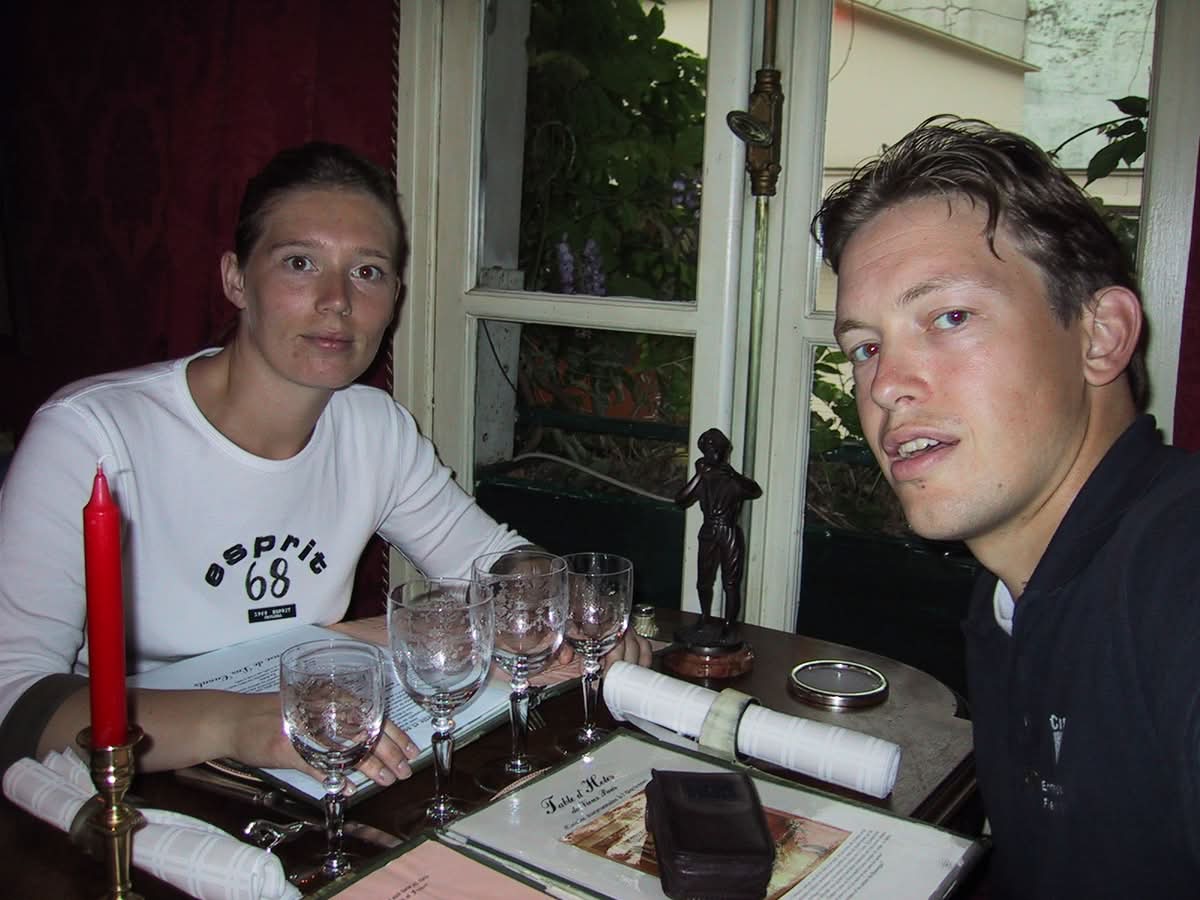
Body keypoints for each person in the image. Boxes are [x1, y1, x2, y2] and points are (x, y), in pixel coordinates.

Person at [0, 141, 650, 785]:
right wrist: (240, 723)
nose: (337, 299)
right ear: (236, 279)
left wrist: (567, 608)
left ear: (394, 297)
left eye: (367, 272)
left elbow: (490, 560)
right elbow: (15, 699)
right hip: (130, 786)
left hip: (311, 776)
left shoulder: (373, 428)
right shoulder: (92, 436)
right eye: (300, 263)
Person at [812, 116, 1200, 898]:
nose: (885, 387)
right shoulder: (1009, 595)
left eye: (949, 317)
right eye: (865, 347)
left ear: (1102, 336)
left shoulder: (1179, 571)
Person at [674, 427, 762, 639]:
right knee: (703, 580)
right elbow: (681, 500)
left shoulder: (731, 479)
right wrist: (698, 475)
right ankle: (704, 617)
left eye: (715, 449)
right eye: (707, 450)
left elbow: (754, 490)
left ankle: (729, 624)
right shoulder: (704, 478)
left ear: (723, 451)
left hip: (728, 530)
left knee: (730, 582)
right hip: (708, 530)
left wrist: (732, 474)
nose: (711, 454)